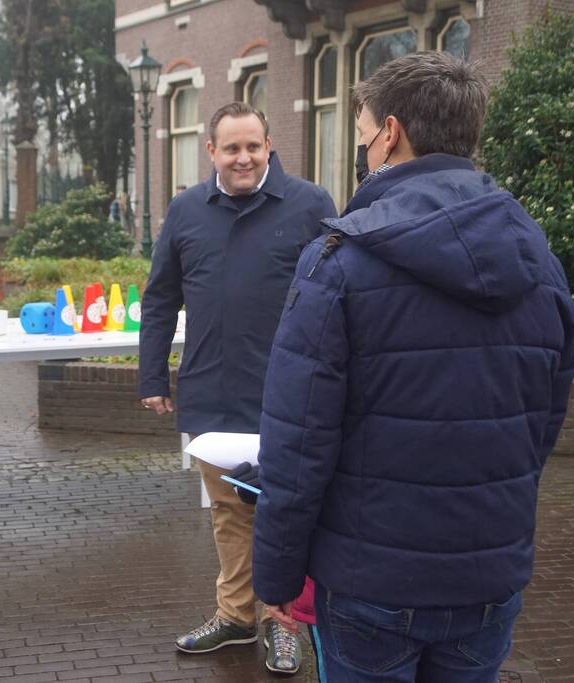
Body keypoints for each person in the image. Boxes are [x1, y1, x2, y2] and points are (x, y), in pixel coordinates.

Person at [251, 51, 574, 683]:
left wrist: (278, 577)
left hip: (371, 583)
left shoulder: (338, 261)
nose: (363, 148)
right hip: (488, 576)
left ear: (390, 134)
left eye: (363, 133)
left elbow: (298, 444)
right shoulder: (539, 261)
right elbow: (542, 423)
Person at [139, 102, 337, 674]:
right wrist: (153, 374)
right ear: (212, 152)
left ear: (269, 146)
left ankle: (284, 623)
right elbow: (159, 299)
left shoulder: (310, 205)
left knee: (288, 510)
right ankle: (235, 615)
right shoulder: (185, 211)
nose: (244, 157)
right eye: (232, 148)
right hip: (212, 389)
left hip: (291, 392)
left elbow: (339, 292)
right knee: (228, 510)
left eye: (253, 146)